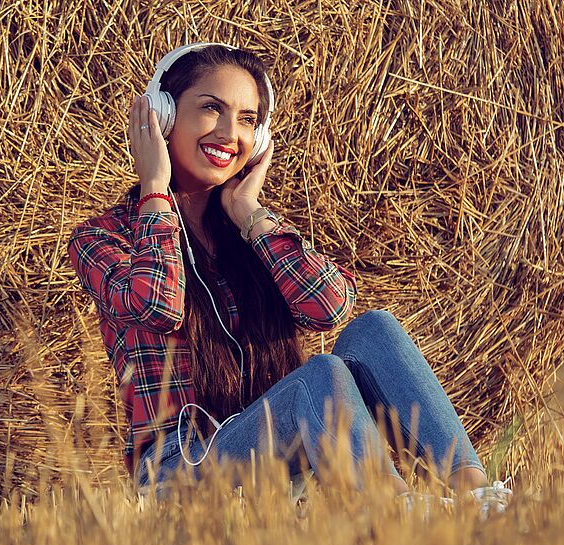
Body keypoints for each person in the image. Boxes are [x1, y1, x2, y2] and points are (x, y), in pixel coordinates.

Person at [67, 43, 512, 516]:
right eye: (211, 109)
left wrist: (250, 214)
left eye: (246, 119)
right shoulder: (103, 237)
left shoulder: (250, 234)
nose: (228, 133)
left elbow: (331, 308)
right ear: (163, 115)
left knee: (374, 329)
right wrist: (155, 189)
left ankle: (478, 499)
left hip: (275, 456)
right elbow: (158, 303)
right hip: (180, 471)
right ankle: (393, 510)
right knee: (316, 377)